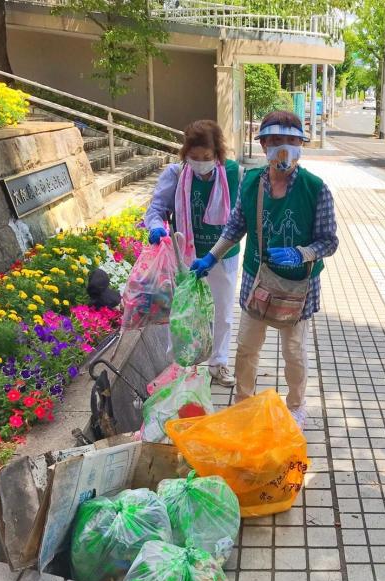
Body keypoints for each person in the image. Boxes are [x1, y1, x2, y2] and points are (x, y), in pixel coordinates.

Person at [190, 111, 338, 429]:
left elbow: (329, 241)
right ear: (264, 146)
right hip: (256, 282)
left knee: (294, 352)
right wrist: (211, 258)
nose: (284, 148)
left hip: (299, 287)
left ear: (302, 144)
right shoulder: (252, 182)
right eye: (276, 141)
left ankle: (296, 406)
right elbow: (235, 227)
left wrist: (302, 254)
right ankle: (244, 405)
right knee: (246, 349)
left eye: (292, 141)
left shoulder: (316, 188)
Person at [144, 119, 241, 387]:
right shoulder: (176, 174)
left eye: (206, 157)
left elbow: (242, 215)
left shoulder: (234, 173)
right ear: (185, 153)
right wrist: (155, 227)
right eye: (193, 157)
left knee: (222, 313)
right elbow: (156, 210)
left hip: (222, 256)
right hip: (185, 257)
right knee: (186, 314)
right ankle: (185, 367)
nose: (200, 163)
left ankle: (218, 364)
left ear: (217, 154)